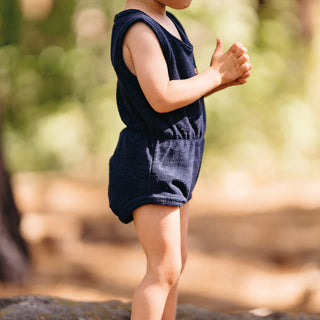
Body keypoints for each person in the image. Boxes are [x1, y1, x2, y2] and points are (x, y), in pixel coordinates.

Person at [108, 0, 252, 319]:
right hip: (153, 160)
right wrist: (214, 74)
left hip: (176, 157)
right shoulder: (140, 28)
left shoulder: (164, 20)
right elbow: (161, 97)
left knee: (175, 264)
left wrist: (219, 80)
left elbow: (176, 97)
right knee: (163, 267)